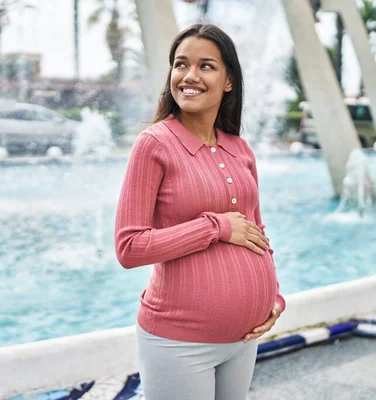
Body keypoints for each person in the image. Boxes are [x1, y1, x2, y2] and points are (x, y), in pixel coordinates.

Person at [114, 23, 285, 400]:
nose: (189, 76)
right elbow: (129, 247)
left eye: (206, 66)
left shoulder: (238, 147)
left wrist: (274, 295)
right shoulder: (153, 144)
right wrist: (215, 227)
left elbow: (256, 230)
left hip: (243, 338)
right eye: (180, 64)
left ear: (228, 81)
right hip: (180, 342)